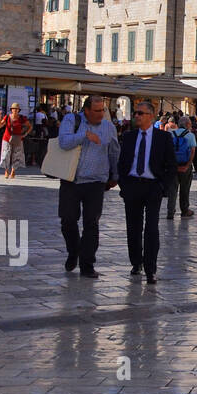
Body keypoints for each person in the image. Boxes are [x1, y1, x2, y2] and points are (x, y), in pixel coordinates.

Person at [57, 95, 121, 279]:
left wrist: (115, 175)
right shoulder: (72, 120)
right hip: (71, 179)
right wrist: (83, 135)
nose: (101, 114)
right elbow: (63, 142)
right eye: (97, 111)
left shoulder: (109, 128)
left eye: (103, 110)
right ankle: (74, 250)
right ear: (86, 110)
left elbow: (114, 152)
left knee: (91, 223)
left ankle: (87, 265)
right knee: (68, 220)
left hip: (96, 182)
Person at [118, 100, 177, 285]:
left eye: (140, 113)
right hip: (133, 185)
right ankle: (136, 263)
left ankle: (151, 268)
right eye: (135, 113)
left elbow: (171, 165)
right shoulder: (128, 136)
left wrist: (163, 187)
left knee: (151, 228)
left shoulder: (163, 137)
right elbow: (122, 163)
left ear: (151, 116)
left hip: (153, 186)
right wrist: (124, 185)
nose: (136, 116)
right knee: (133, 227)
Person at [166, 114, 197, 220]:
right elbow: (192, 152)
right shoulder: (190, 135)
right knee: (185, 188)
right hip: (185, 165)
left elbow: (167, 151)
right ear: (188, 124)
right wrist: (187, 165)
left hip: (172, 166)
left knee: (172, 189)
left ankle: (170, 211)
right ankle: (184, 210)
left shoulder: (170, 134)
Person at [0, 103, 29, 179]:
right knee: (6, 154)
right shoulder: (7, 117)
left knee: (16, 155)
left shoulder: (22, 118)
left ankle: (13, 171)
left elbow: (29, 126)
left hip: (18, 138)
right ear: (11, 110)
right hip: (7, 138)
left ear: (19, 110)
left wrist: (25, 134)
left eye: (16, 109)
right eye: (13, 109)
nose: (15, 110)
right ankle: (6, 171)